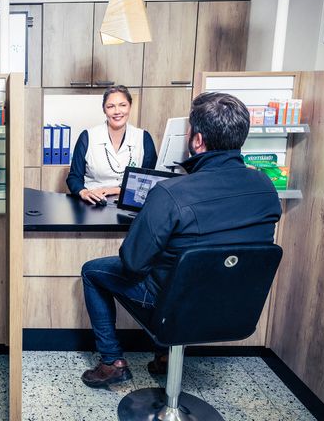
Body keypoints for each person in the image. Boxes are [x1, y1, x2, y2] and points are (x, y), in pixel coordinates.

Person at [80, 92, 282, 388]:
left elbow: (132, 262)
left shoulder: (171, 193)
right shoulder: (266, 187)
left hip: (174, 303)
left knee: (92, 271)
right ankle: (164, 357)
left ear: (197, 140)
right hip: (235, 305)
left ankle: (112, 362)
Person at [66, 85, 157, 205]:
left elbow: (150, 180)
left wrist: (114, 190)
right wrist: (83, 192)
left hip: (131, 203)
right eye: (110, 106)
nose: (117, 111)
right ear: (104, 110)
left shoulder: (143, 138)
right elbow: (74, 177)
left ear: (130, 106)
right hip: (94, 202)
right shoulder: (87, 136)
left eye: (122, 105)